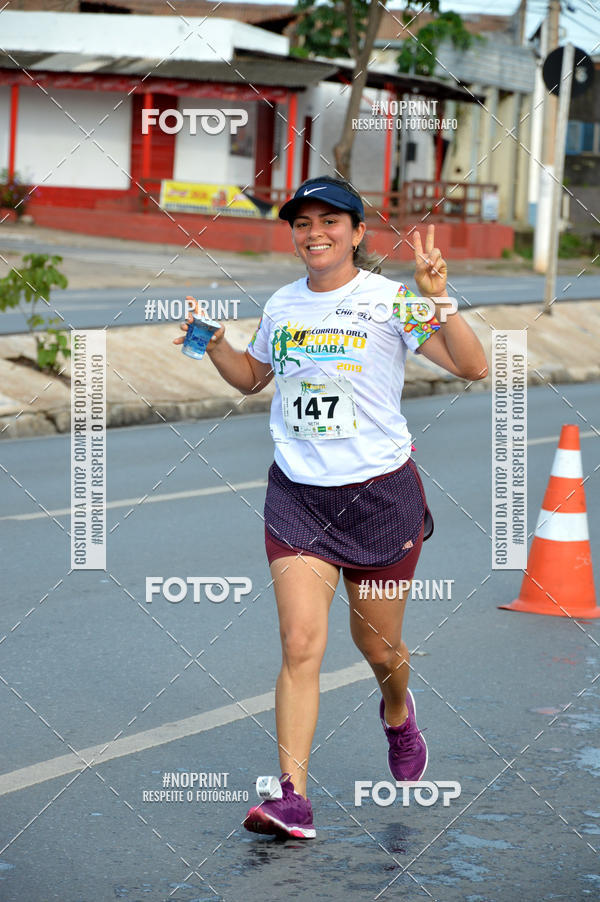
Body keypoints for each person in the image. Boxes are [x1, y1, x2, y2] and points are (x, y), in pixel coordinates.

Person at [174, 175, 488, 840]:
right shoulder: (284, 305)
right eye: (302, 223)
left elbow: (472, 366)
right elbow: (254, 376)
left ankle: (398, 712)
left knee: (377, 645)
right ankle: (292, 797)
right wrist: (215, 342)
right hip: (298, 498)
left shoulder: (390, 302)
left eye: (330, 222)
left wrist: (440, 302)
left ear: (357, 232)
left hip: (380, 499)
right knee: (300, 643)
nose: (314, 233)